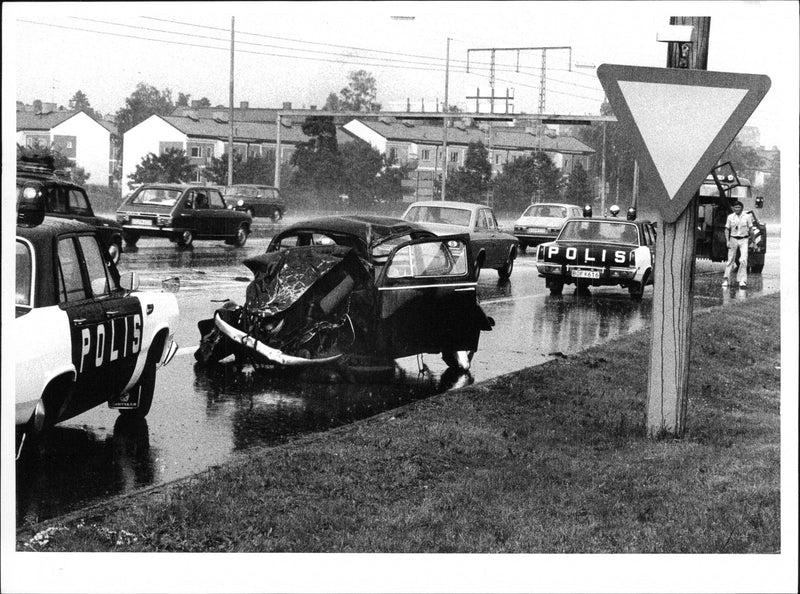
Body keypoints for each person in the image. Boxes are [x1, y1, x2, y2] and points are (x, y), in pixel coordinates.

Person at [722, 201, 754, 288]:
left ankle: (742, 280)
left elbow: (751, 230)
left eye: (738, 207)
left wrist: (753, 242)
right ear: (733, 208)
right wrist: (727, 241)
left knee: (743, 260)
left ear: (742, 208)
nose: (737, 209)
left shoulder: (747, 217)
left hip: (744, 239)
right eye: (735, 207)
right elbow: (727, 229)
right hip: (733, 239)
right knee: (730, 259)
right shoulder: (730, 217)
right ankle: (726, 279)